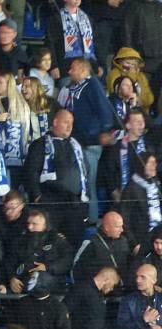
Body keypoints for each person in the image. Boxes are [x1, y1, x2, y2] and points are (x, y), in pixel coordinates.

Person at [58, 58, 115, 222]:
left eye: (73, 68)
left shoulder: (92, 85)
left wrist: (101, 133)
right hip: (80, 142)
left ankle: (91, 223)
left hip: (89, 144)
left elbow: (105, 111)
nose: (69, 72)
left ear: (84, 71)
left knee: (87, 184)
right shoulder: (75, 87)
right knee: (79, 183)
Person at [24, 109, 89, 246]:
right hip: (50, 204)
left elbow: (86, 171)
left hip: (74, 204)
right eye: (66, 122)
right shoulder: (39, 145)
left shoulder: (76, 146)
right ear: (55, 122)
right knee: (48, 244)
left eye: (71, 123)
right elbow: (31, 173)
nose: (69, 126)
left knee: (73, 243)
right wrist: (37, 197)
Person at [6, 208, 73, 295]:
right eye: (28, 223)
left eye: (34, 224)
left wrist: (47, 267)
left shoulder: (57, 241)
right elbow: (9, 262)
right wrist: (12, 278)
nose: (30, 227)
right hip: (22, 287)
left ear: (45, 225)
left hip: (51, 288)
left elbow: (67, 262)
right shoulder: (19, 241)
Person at [71, 210, 133, 285]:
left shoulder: (124, 241)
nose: (122, 230)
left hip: (121, 290)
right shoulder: (91, 243)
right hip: (98, 293)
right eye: (118, 227)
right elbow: (76, 269)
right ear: (107, 228)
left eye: (122, 226)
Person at [47, 0, 99, 77]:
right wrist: (53, 66)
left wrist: (98, 64)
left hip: (88, 69)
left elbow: (95, 43)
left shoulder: (88, 19)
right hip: (66, 70)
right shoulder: (56, 18)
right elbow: (50, 44)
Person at [121, 152, 162, 247]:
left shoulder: (156, 182)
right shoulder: (131, 188)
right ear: (141, 164)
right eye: (150, 163)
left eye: (155, 163)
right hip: (141, 238)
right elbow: (125, 218)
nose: (154, 166)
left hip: (158, 234)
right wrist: (134, 243)